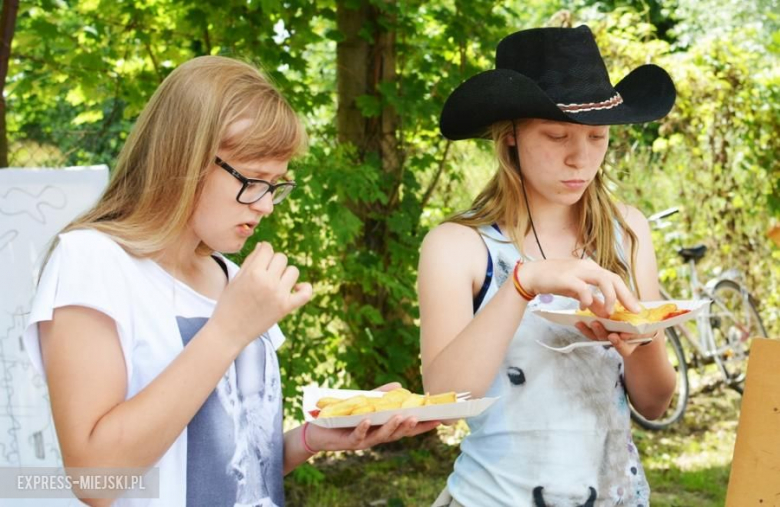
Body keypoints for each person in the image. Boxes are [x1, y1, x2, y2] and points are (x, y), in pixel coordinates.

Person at [22, 56, 438, 507]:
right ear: (184, 157)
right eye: (254, 179)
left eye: (276, 184)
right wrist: (226, 331)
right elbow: (95, 478)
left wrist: (316, 438)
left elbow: (227, 467)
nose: (265, 206)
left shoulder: (230, 278)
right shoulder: (92, 261)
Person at [418, 26, 678, 506]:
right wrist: (522, 284)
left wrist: (640, 340)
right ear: (510, 136)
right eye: (557, 135)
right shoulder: (458, 246)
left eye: (597, 136)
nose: (580, 157)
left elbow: (655, 401)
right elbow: (447, 399)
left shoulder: (629, 232)